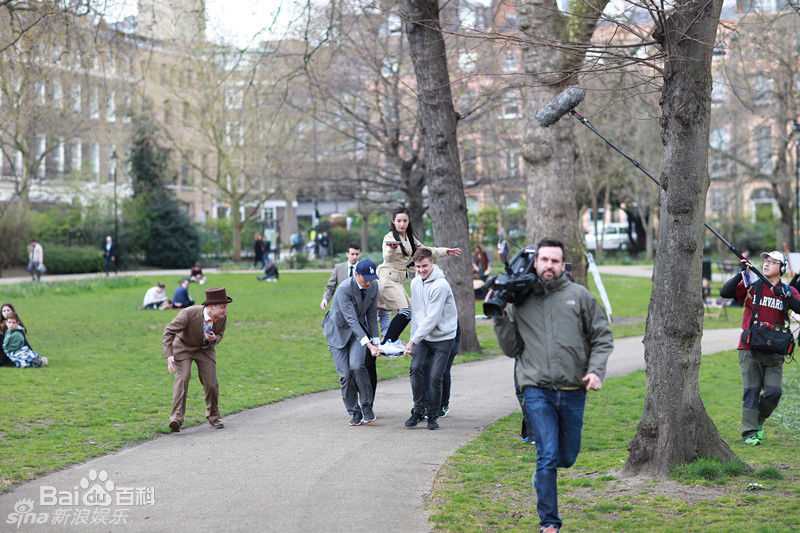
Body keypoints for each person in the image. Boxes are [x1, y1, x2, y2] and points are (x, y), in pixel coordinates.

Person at [492, 238, 613, 533]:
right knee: (546, 454)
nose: (549, 265)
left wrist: (596, 371)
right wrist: (499, 316)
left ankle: (543, 478)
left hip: (573, 390)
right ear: (536, 262)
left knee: (566, 457)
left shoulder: (579, 296)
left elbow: (602, 336)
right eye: (544, 260)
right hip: (536, 389)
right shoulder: (521, 300)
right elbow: (511, 349)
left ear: (562, 265)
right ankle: (549, 523)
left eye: (554, 261)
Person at [719, 250, 800, 446]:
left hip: (775, 351)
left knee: (774, 392)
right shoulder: (752, 286)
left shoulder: (789, 291)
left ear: (781, 268)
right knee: (752, 390)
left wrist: (787, 295)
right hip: (749, 347)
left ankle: (758, 420)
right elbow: (725, 292)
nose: (766, 264)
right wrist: (741, 272)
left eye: (772, 262)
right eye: (765, 261)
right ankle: (749, 432)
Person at [376, 207, 462, 339]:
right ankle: (388, 341)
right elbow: (387, 256)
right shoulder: (389, 238)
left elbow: (425, 250)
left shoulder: (410, 238)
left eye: (405, 221)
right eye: (399, 221)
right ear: (393, 222)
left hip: (398, 281)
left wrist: (445, 251)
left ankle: (390, 340)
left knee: (410, 312)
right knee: (405, 310)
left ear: (408, 222)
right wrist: (391, 249)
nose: (402, 224)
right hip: (387, 279)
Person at [403, 248, 459, 431]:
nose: (421, 270)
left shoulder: (441, 285)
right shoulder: (415, 283)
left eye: (424, 266)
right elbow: (417, 314)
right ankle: (418, 411)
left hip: (444, 336)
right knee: (415, 369)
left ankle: (432, 416)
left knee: (435, 376)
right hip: (424, 336)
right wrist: (414, 338)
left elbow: (432, 318)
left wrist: (412, 341)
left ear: (432, 263)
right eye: (418, 267)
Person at [162, 287, 232, 432]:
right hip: (183, 347)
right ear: (211, 307)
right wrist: (169, 355)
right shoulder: (188, 313)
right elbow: (168, 332)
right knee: (183, 378)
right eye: (222, 307)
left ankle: (214, 417)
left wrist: (214, 339)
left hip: (205, 350)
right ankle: (176, 419)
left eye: (226, 307)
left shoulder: (222, 318)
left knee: (211, 383)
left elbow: (220, 335)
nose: (225, 310)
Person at [322, 258, 381, 426]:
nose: (369, 282)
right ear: (356, 274)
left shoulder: (373, 286)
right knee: (346, 375)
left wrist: (376, 341)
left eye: (372, 278)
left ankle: (367, 406)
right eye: (366, 278)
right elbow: (351, 320)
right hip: (338, 333)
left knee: (357, 366)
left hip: (357, 334)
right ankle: (354, 411)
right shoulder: (344, 289)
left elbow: (371, 315)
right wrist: (369, 345)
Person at [320, 244, 362, 310]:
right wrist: (325, 299)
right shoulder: (338, 268)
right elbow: (331, 287)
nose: (355, 257)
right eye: (352, 254)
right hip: (342, 305)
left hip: (359, 306)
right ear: (347, 254)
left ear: (360, 254)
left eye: (357, 254)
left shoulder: (363, 268)